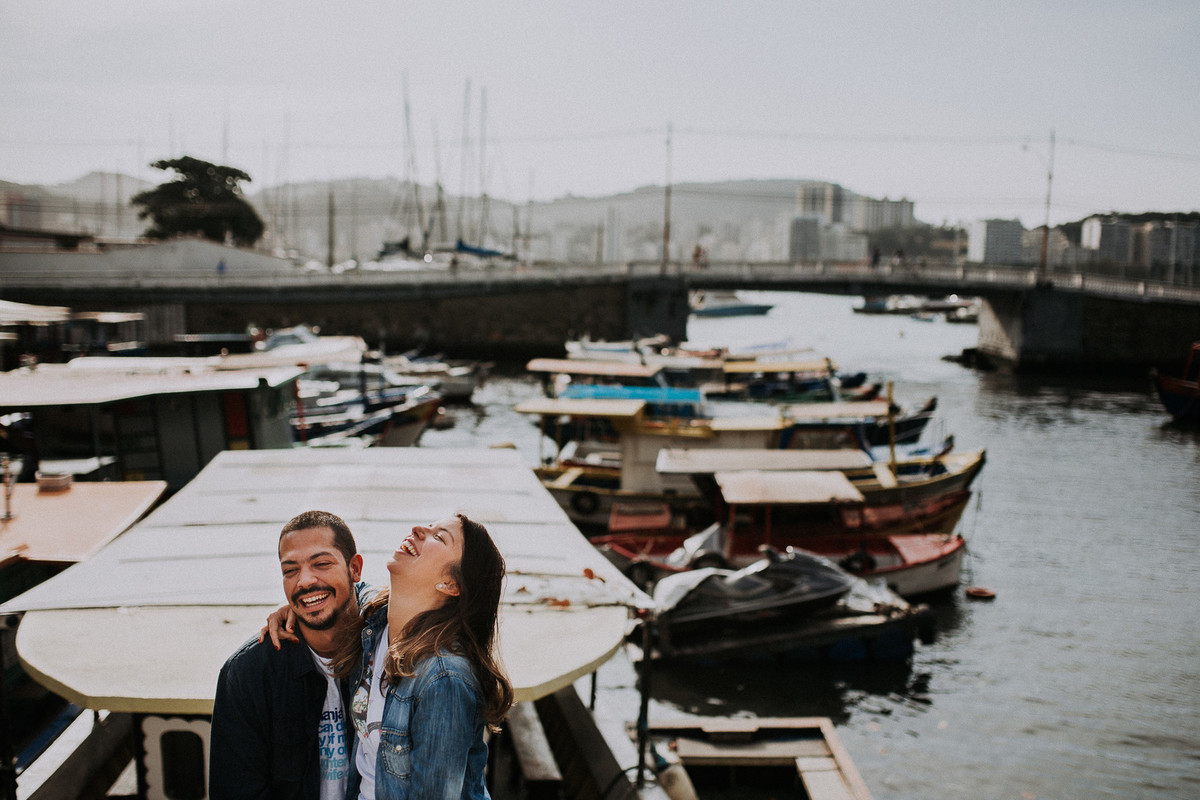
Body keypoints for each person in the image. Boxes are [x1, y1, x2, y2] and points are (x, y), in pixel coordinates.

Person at [210, 510, 373, 800]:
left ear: (355, 569)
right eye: (290, 570)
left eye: (321, 564)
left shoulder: (387, 653)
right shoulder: (248, 674)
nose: (304, 581)